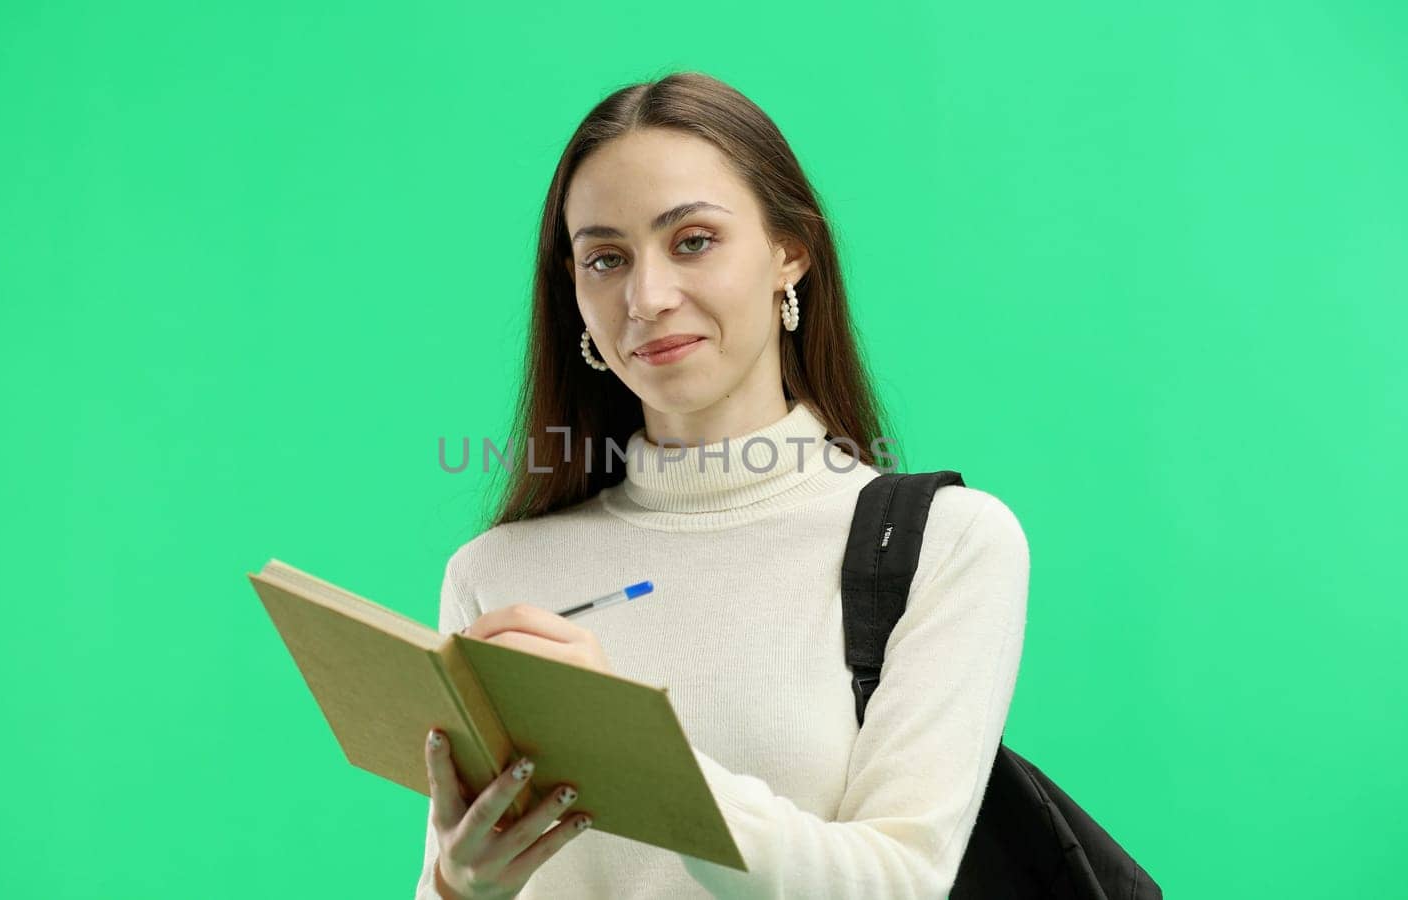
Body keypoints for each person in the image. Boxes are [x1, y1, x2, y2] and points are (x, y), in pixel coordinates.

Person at [415, 71, 1029, 899]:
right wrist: (458, 887)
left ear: (790, 253)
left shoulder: (945, 544)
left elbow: (900, 884)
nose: (647, 297)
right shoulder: (494, 576)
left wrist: (633, 749)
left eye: (693, 240)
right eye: (605, 258)